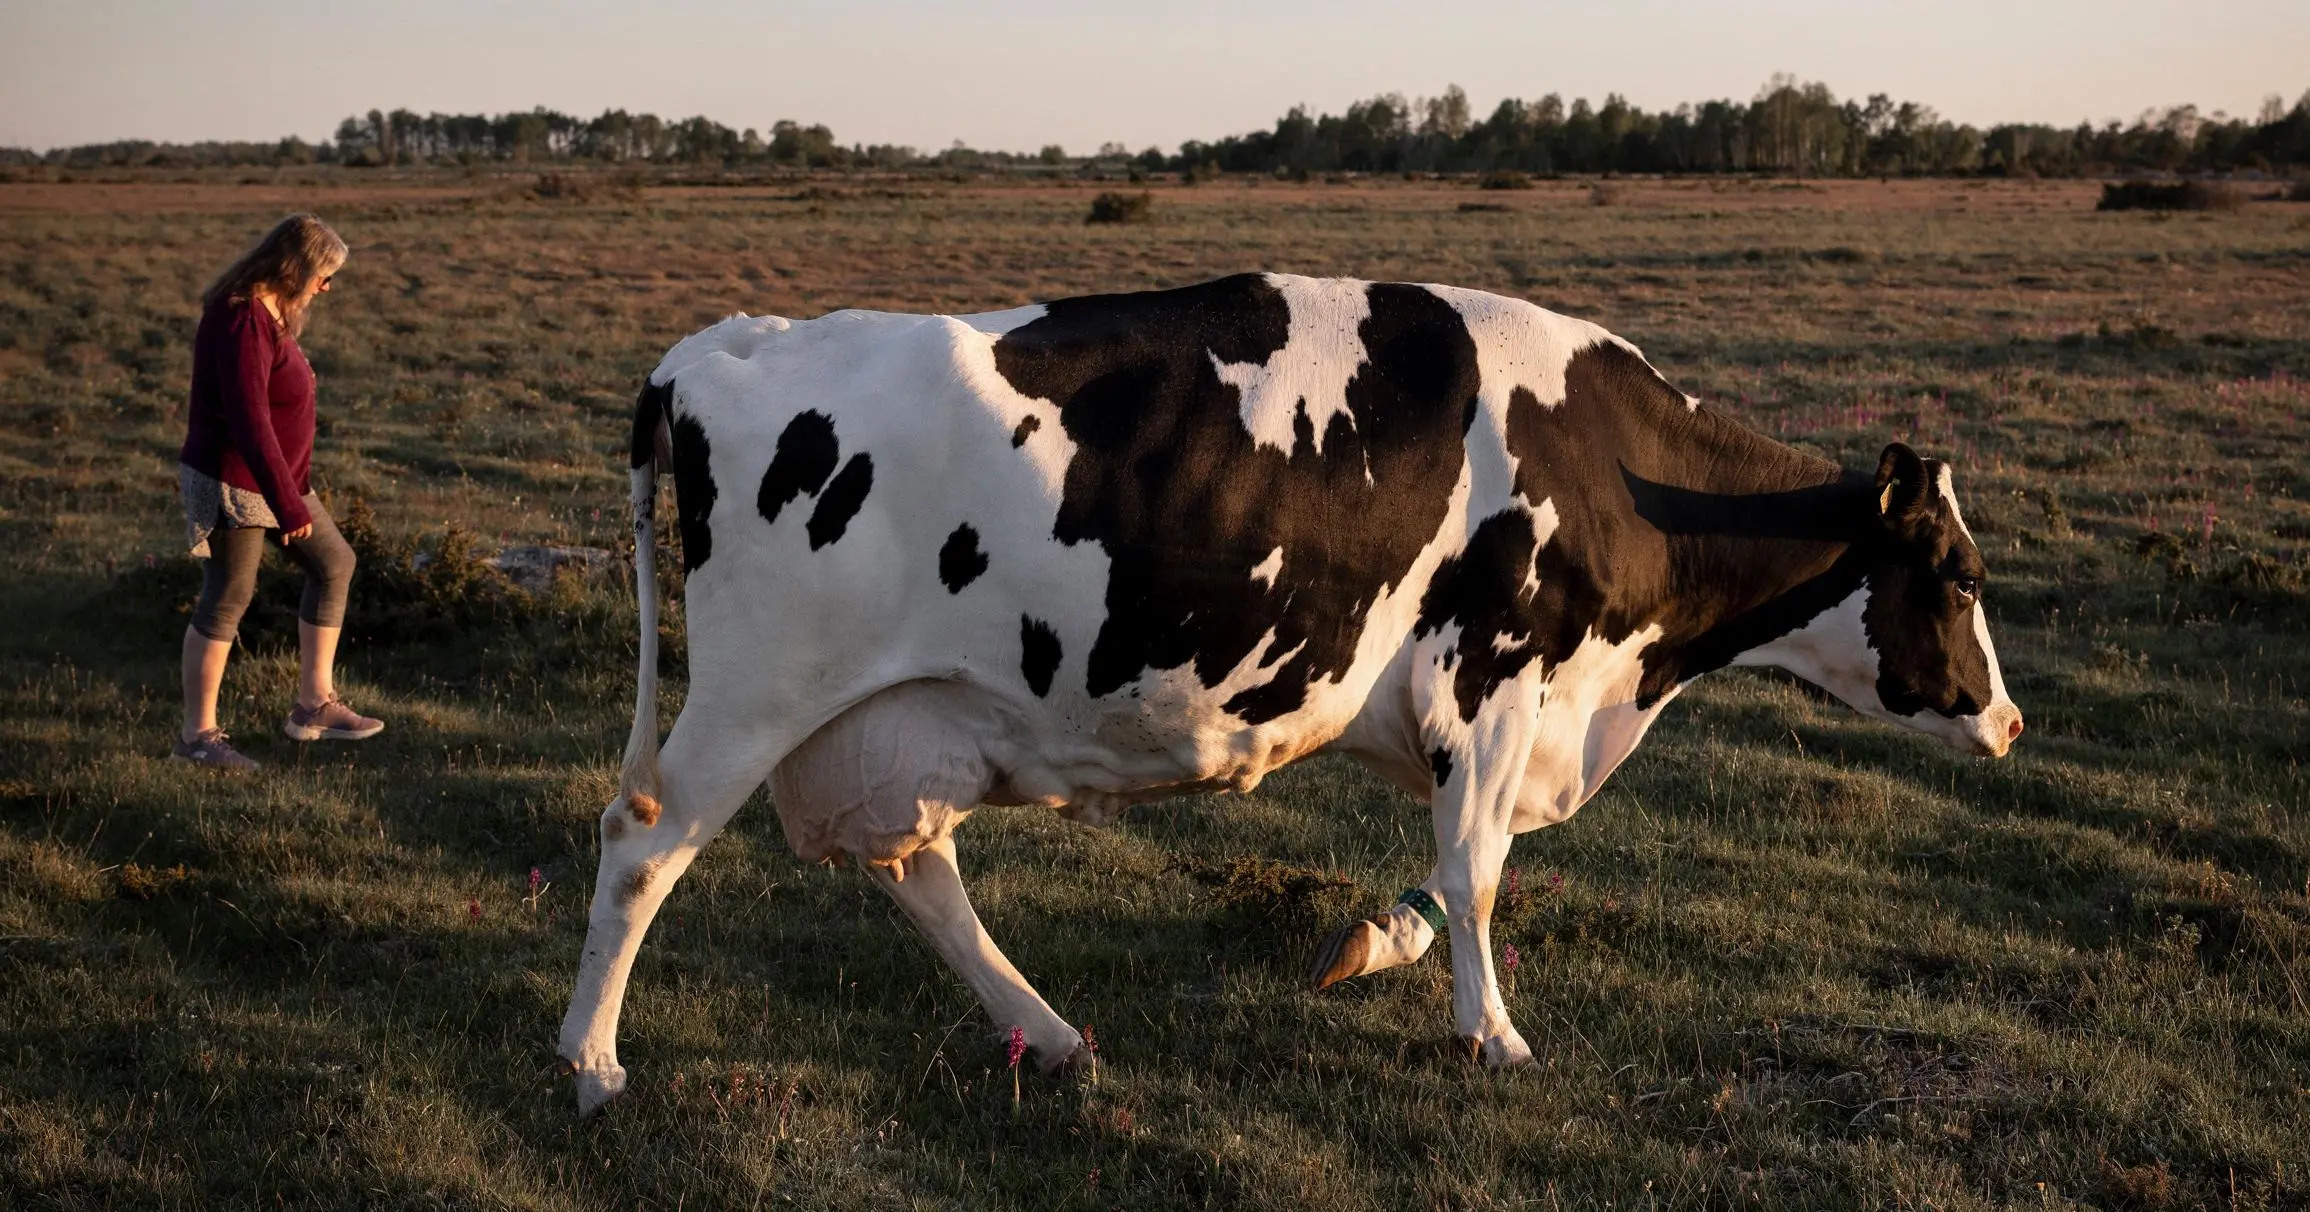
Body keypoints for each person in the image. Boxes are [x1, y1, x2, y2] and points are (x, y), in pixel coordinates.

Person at [173, 214, 383, 769]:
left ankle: (313, 705)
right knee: (227, 596)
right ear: (297, 266)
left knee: (334, 562)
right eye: (324, 274)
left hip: (275, 480)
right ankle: (197, 740)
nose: (327, 286)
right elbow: (249, 422)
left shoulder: (270, 312)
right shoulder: (242, 320)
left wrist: (290, 490)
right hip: (235, 483)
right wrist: (286, 504)